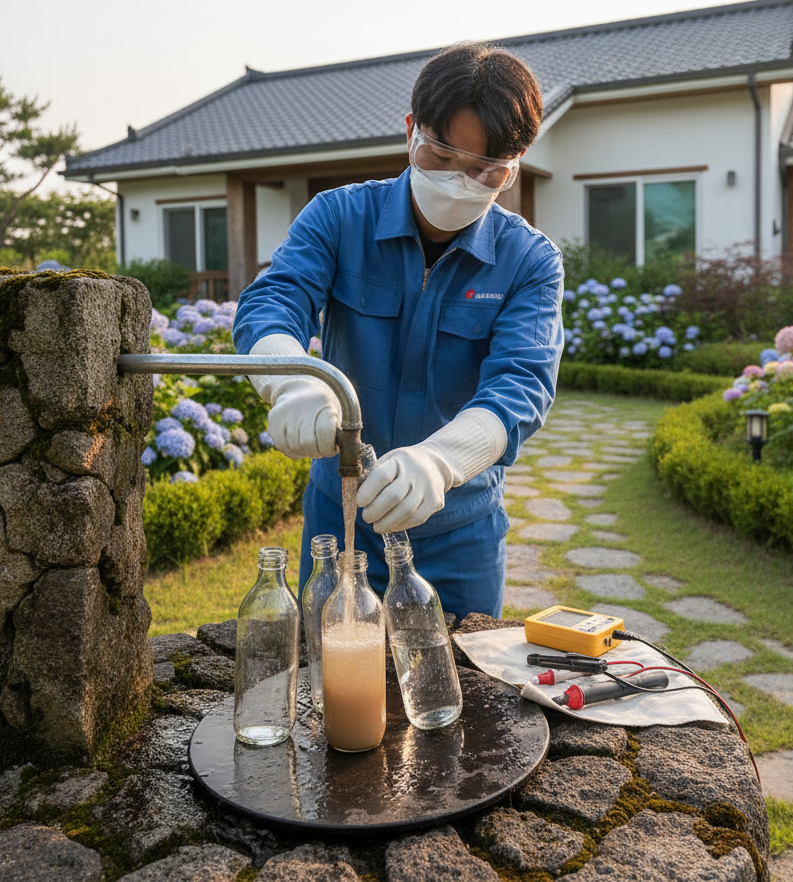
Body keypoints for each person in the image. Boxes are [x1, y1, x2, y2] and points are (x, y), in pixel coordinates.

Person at [232, 42, 564, 619]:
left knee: (459, 692)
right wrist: (294, 379)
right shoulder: (338, 218)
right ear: (411, 131)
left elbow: (521, 385)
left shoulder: (529, 261)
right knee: (331, 680)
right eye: (443, 155)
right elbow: (274, 301)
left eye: (486, 170)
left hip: (461, 530)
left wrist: (440, 461)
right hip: (341, 522)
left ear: (514, 166)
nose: (462, 182)